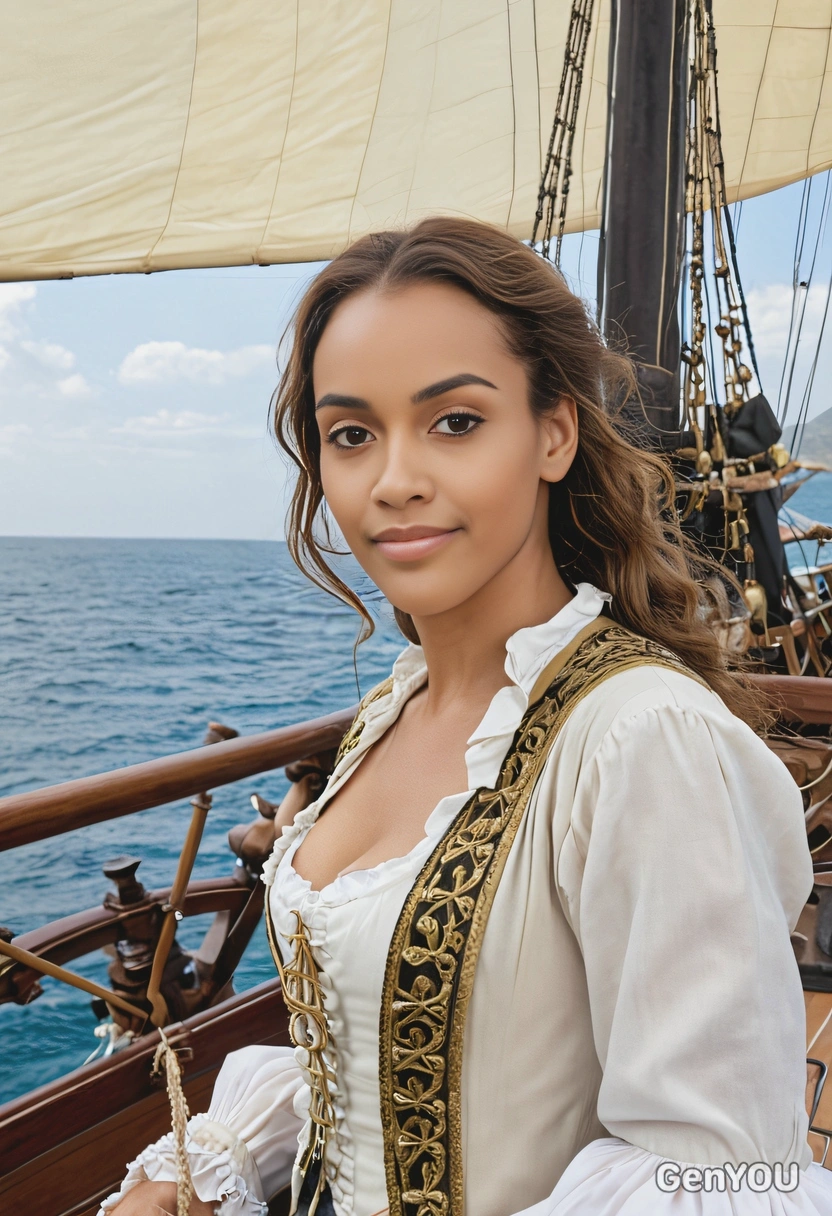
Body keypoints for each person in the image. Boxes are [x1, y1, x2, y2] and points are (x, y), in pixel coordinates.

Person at [101, 217, 832, 1216]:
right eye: (351, 434)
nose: (394, 477)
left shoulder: (638, 739)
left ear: (553, 433)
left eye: (454, 421)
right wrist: (206, 1158)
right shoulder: (386, 716)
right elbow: (351, 1056)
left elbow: (722, 1175)